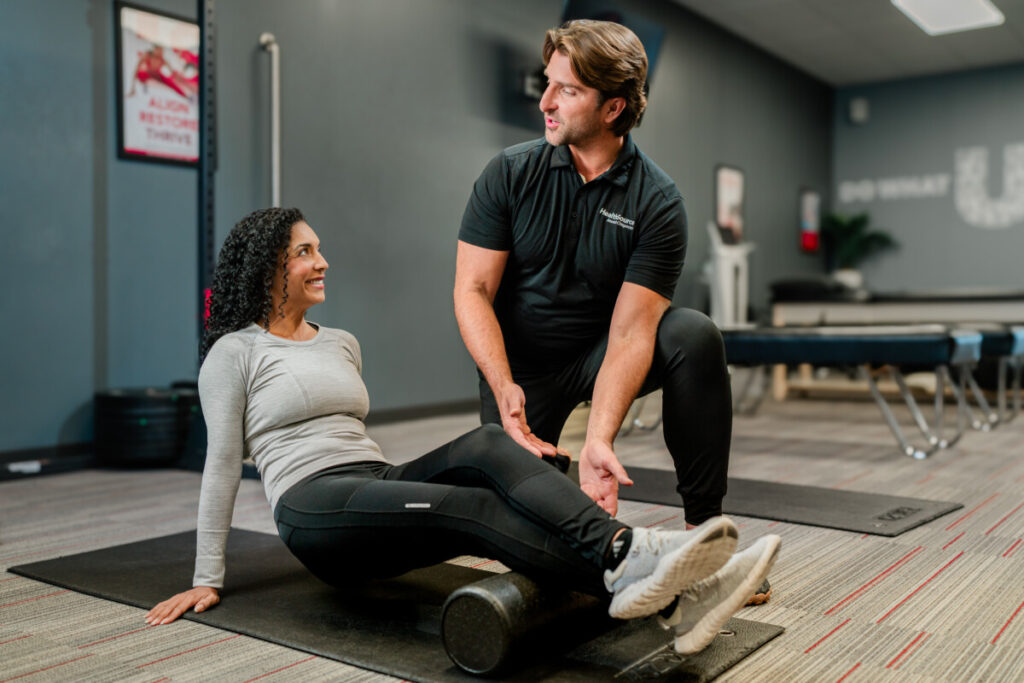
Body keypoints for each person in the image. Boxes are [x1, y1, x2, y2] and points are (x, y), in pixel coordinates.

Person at [145, 208, 779, 655]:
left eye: (318, 248)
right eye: (305, 252)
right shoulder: (234, 353)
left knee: (489, 444)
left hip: (373, 479)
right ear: (267, 269)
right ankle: (634, 559)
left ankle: (659, 581)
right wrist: (208, 577)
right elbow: (223, 463)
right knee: (470, 508)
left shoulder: (340, 342)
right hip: (313, 508)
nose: (323, 262)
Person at [453, 20, 770, 605]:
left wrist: (600, 439)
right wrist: (501, 385)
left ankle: (706, 535)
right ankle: (625, 560)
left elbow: (632, 332)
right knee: (518, 531)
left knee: (694, 334)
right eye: (548, 83)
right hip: (521, 370)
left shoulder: (656, 201)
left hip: (602, 353)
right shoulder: (509, 173)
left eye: (566, 90)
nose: (545, 101)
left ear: (612, 107)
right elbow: (472, 290)